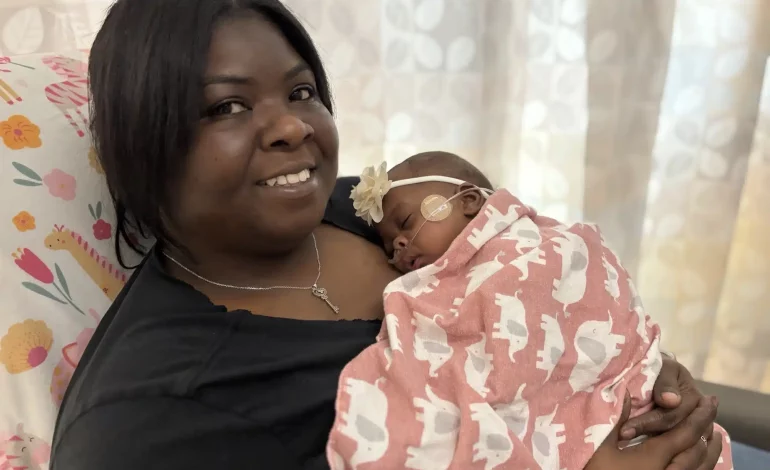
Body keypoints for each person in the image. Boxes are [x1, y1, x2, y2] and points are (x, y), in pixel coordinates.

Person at [49, 1, 724, 469]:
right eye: (227, 106)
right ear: (145, 143)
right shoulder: (147, 419)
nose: (293, 127)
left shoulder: (362, 210)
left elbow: (544, 279)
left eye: (302, 92)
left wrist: (643, 374)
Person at [327, 152, 732, 469]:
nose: (397, 245)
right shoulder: (437, 286)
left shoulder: (549, 245)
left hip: (636, 412)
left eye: (405, 222)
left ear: (469, 201)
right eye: (389, 246)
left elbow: (597, 294)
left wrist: (651, 359)